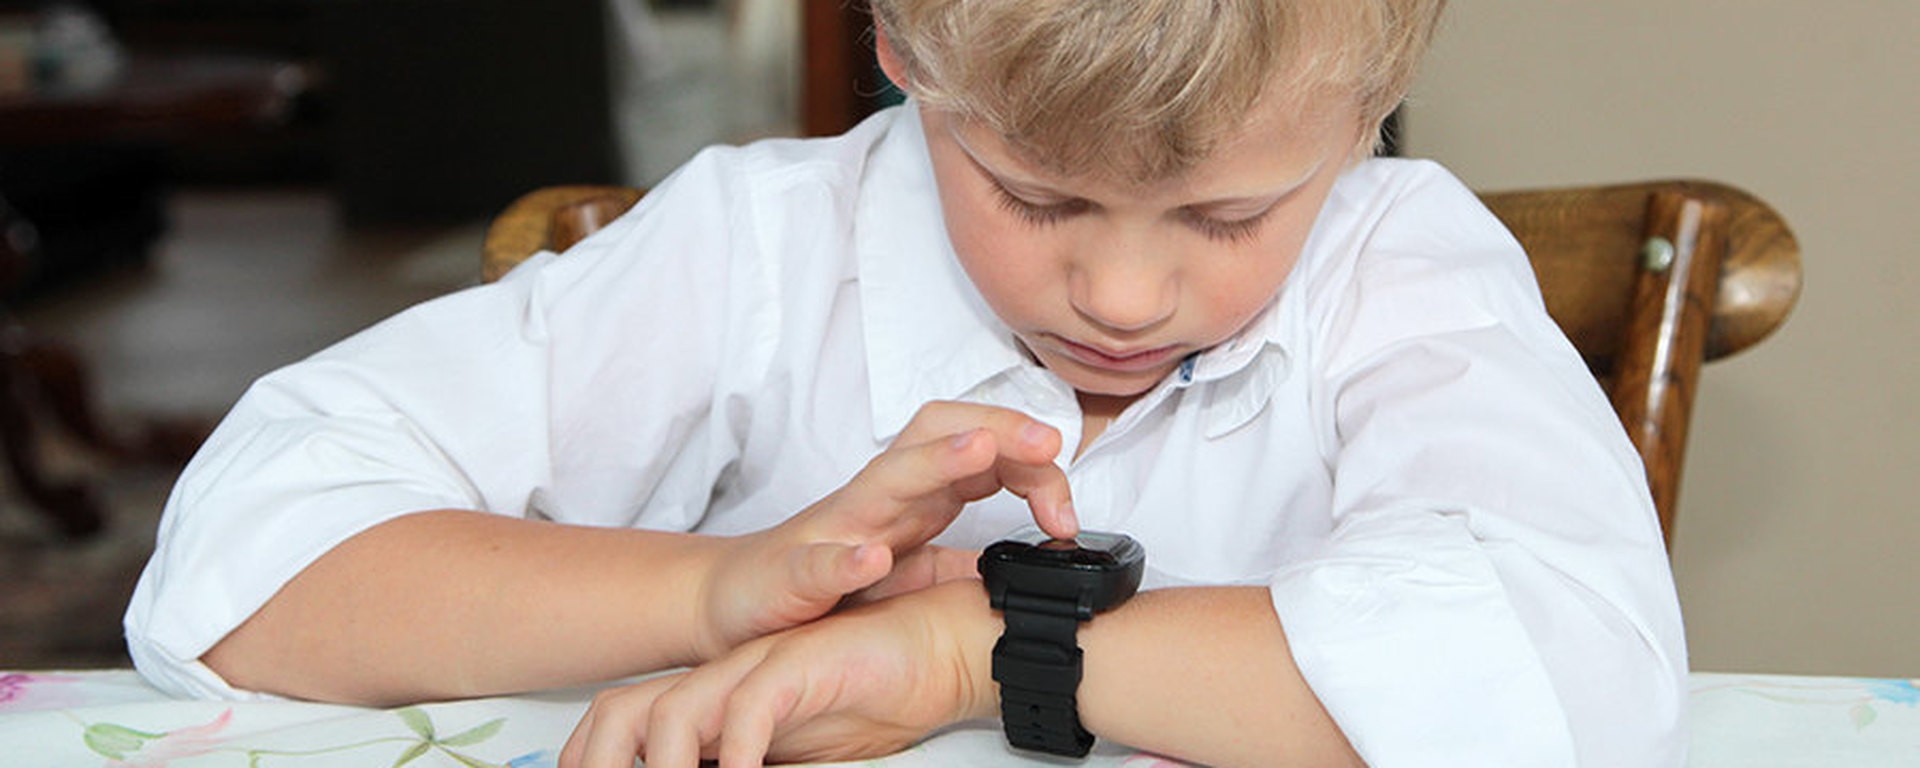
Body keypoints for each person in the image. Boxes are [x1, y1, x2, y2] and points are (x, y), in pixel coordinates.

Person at [124, 1, 1689, 766]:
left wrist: (973, 654)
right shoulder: (759, 248)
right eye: (1036, 196)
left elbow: (1581, 671)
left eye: (1226, 219)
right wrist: (713, 590)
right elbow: (241, 567)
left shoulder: (1401, 263)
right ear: (899, 48)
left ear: (1367, 112)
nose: (1123, 295)